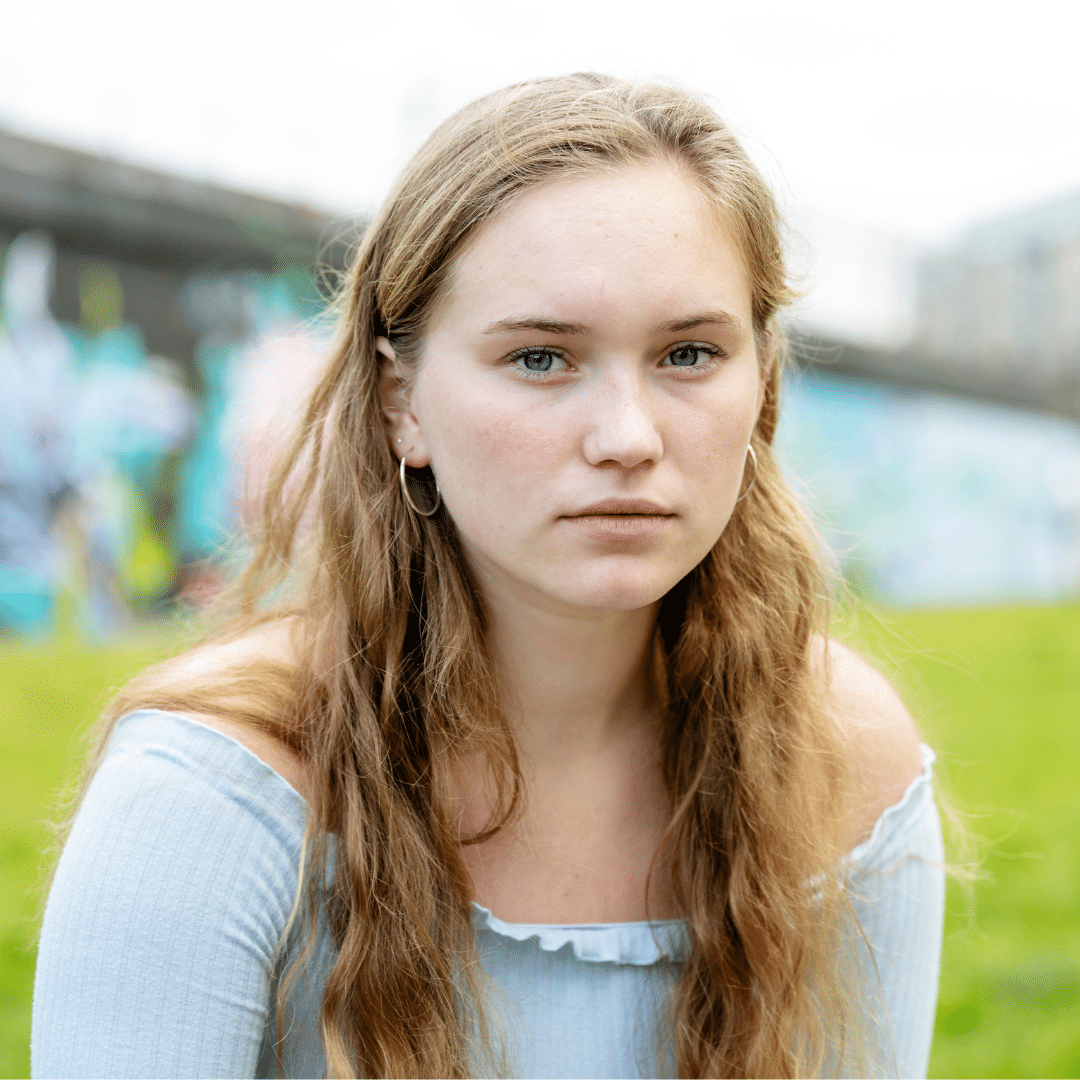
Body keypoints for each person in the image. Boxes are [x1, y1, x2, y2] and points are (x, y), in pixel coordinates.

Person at [31, 73, 944, 1079]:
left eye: (688, 353)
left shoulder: (840, 760)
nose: (628, 438)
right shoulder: (214, 802)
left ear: (762, 385)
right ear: (400, 405)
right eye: (541, 360)